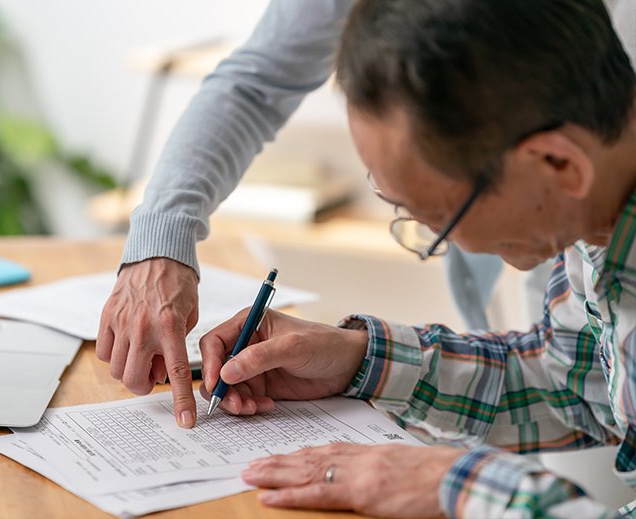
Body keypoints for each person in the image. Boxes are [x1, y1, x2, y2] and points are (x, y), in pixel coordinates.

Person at [192, 0, 636, 517]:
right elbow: (576, 387)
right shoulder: (596, 213)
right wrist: (359, 360)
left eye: (437, 217)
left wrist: (462, 486)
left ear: (558, 162)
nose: (434, 237)